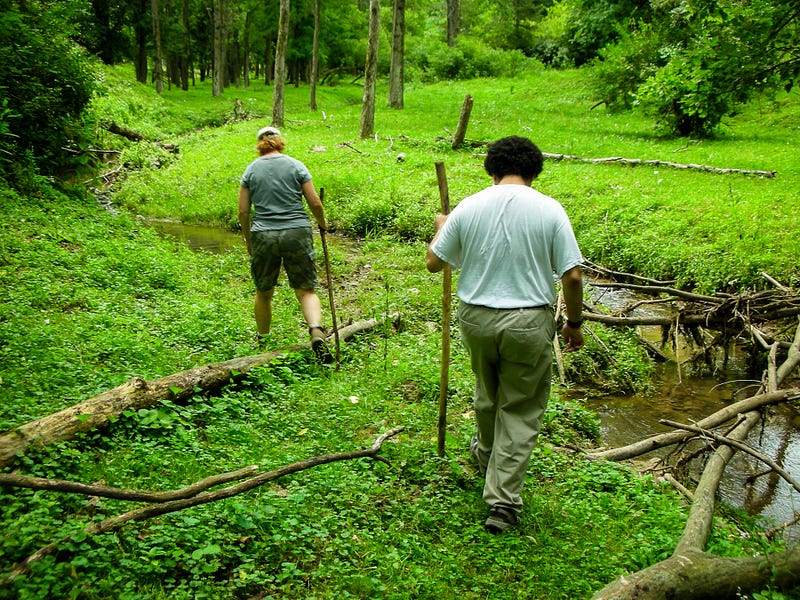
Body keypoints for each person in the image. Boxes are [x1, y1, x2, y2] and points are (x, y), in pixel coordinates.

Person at [425, 136, 585, 534]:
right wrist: (575, 323)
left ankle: (485, 457)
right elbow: (573, 275)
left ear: (491, 171)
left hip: (476, 319)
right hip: (527, 322)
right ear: (534, 172)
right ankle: (502, 503)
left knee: (487, 392)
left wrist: (441, 228)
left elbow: (433, 262)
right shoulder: (550, 209)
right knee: (520, 407)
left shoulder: (470, 205)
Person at [238, 125, 330, 359]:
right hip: (296, 231)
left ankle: (263, 341)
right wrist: (323, 223)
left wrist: (249, 239)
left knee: (263, 291)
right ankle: (316, 330)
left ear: (259, 145)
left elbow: (243, 212)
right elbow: (315, 203)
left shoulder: (251, 170)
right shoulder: (296, 165)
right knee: (306, 289)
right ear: (280, 141)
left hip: (263, 234)